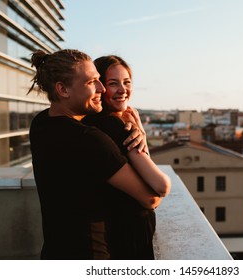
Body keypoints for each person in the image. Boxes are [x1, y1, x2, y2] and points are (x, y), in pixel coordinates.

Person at [27, 49, 166, 260]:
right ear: (63, 89)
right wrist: (140, 135)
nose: (101, 88)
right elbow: (152, 198)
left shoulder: (41, 124)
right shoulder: (89, 140)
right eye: (92, 82)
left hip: (54, 251)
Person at [82, 55, 171, 259]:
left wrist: (141, 130)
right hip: (129, 234)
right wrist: (139, 129)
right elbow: (159, 186)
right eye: (113, 84)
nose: (123, 90)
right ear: (100, 87)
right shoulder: (114, 126)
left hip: (113, 230)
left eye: (127, 82)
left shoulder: (93, 123)